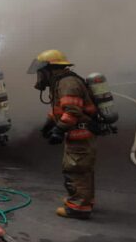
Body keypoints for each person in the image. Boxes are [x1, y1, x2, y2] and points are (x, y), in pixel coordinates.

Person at [28, 49, 97, 219]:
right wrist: (49, 124)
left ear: (49, 69)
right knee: (80, 168)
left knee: (76, 168)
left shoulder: (67, 83)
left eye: (40, 72)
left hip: (79, 132)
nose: (39, 76)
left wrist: (58, 130)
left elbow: (72, 112)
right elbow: (60, 109)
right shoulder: (61, 82)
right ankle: (83, 198)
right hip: (76, 132)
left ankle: (79, 207)